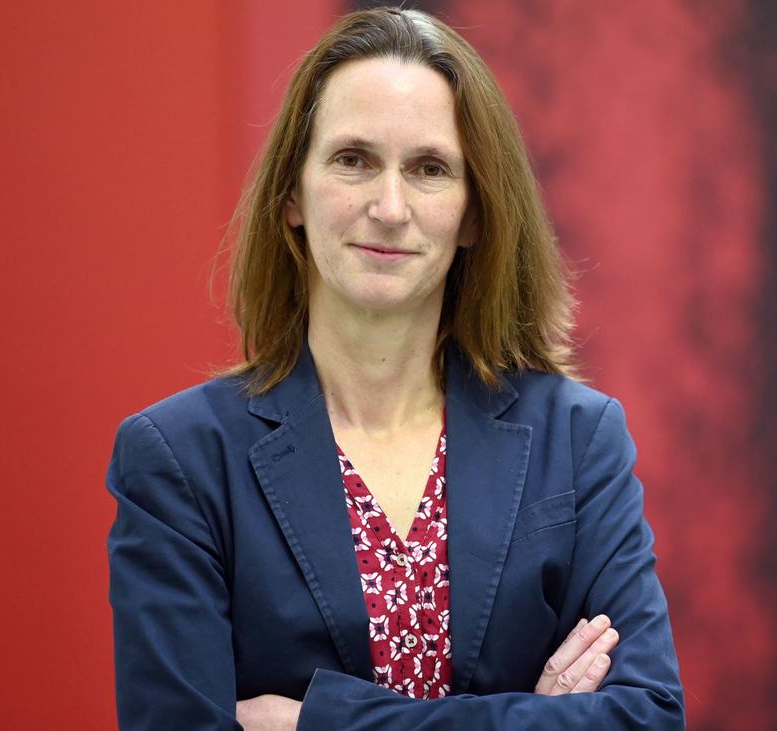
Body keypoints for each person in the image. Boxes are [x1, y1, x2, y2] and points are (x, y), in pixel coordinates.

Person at [104, 7, 683, 730]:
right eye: (353, 159)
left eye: (429, 169)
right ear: (292, 194)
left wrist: (322, 721)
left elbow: (646, 716)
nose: (389, 206)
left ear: (475, 213)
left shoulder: (577, 438)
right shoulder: (181, 459)